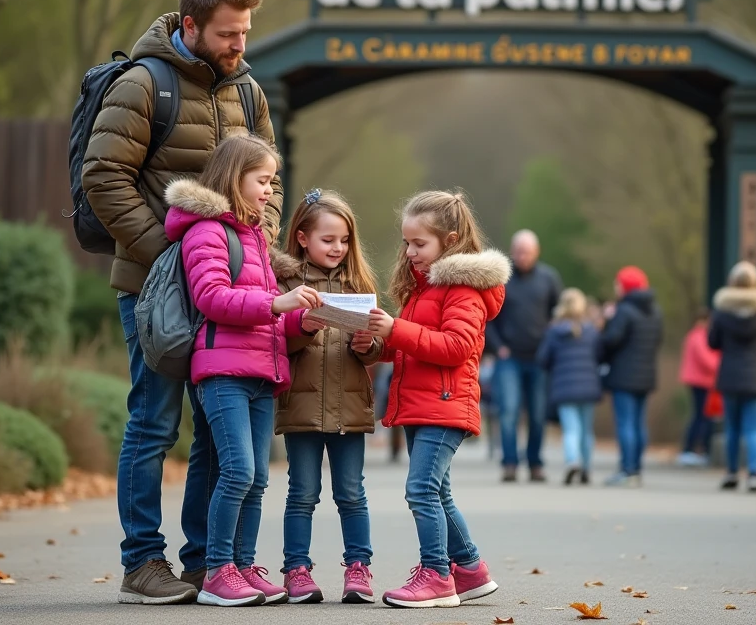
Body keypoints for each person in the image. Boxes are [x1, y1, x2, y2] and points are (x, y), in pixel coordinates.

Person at [82, 0, 283, 604]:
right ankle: (143, 562)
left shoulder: (249, 92)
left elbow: (268, 184)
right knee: (154, 422)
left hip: (230, 294)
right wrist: (177, 259)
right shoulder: (145, 83)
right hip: (157, 288)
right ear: (190, 26)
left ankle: (204, 560)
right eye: (228, 33)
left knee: (214, 427)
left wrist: (254, 243)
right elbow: (104, 175)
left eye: (246, 32)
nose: (240, 45)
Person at [162, 135, 316, 607]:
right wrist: (277, 302)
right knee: (238, 471)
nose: (270, 191)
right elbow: (212, 299)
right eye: (262, 180)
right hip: (224, 370)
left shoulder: (253, 235)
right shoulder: (207, 231)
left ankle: (244, 565)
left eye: (272, 181)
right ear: (234, 177)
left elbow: (270, 312)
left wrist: (303, 318)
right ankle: (216, 571)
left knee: (258, 477)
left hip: (262, 371)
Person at [365, 190, 509, 608]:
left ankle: (436, 576)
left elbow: (456, 347)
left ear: (449, 240)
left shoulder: (462, 289)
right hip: (422, 403)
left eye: (419, 243)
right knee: (437, 491)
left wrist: (395, 330)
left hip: (446, 404)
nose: (410, 252)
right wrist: (377, 342)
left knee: (421, 489)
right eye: (406, 243)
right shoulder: (424, 289)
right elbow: (415, 344)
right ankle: (469, 570)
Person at [272, 188, 383, 605]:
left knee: (351, 492)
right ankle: (296, 570)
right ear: (302, 238)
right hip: (301, 405)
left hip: (349, 407)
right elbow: (276, 344)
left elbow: (377, 347)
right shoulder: (286, 284)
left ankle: (359, 569)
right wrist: (304, 326)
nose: (338, 247)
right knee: (302, 492)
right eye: (328, 239)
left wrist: (367, 346)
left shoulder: (359, 283)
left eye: (344, 240)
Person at [485, 229, 562, 482]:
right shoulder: (502, 280)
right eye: (518, 252)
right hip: (510, 358)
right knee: (508, 411)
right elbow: (489, 318)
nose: (522, 256)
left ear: (536, 252)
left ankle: (535, 463)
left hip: (539, 358)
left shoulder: (549, 279)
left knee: (538, 415)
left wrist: (551, 346)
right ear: (512, 251)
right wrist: (499, 348)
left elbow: (557, 315)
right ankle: (509, 463)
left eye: (527, 252)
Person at [708, 261, 756, 493]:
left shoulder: (722, 312)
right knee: (753, 429)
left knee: (732, 428)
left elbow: (713, 342)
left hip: (730, 375)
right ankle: (754, 475)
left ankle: (731, 472)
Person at [598, 266, 663, 487]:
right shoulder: (655, 311)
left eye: (618, 283)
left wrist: (606, 321)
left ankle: (627, 470)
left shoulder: (623, 311)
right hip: (646, 375)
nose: (616, 287)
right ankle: (637, 468)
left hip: (623, 375)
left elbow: (611, 341)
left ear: (626, 286)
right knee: (639, 423)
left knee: (625, 423)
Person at [536, 288, 602, 485]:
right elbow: (600, 355)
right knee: (586, 430)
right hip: (589, 386)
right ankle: (586, 467)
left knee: (571, 429)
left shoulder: (554, 331)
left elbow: (543, 359)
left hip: (564, 387)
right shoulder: (591, 331)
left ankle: (572, 461)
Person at [677, 308, 721, 466]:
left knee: (701, 416)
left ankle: (693, 449)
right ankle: (692, 449)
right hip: (701, 381)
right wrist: (722, 366)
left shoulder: (694, 335)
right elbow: (706, 360)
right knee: (702, 417)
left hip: (701, 380)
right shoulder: (699, 336)